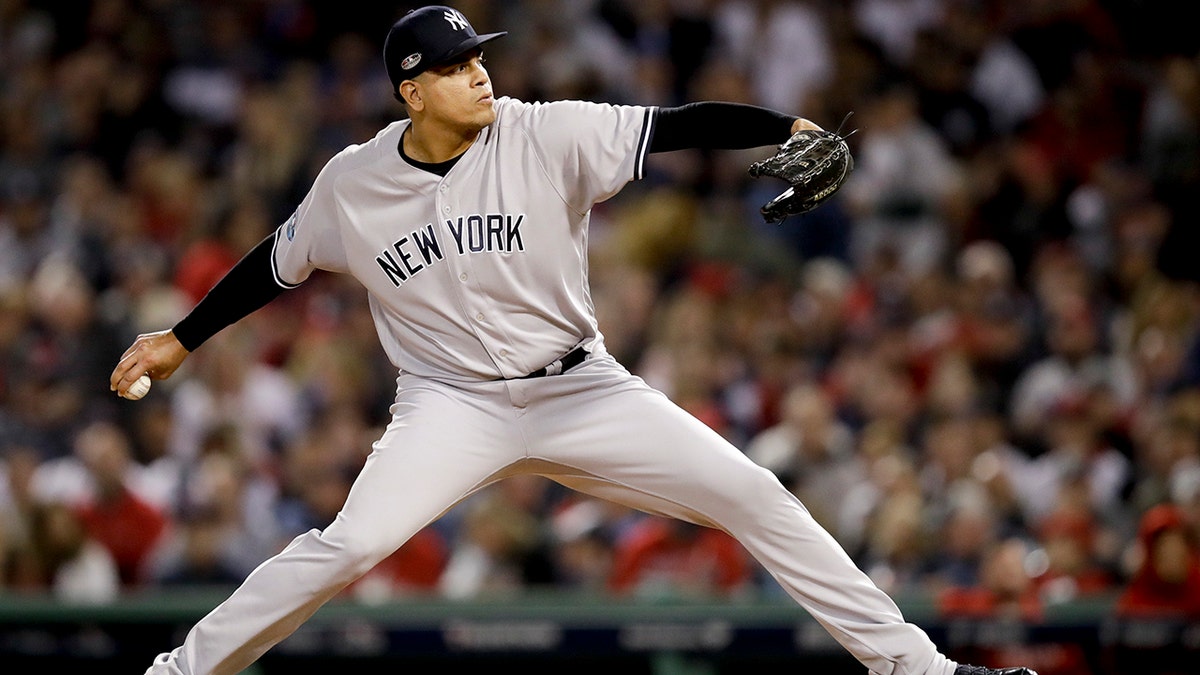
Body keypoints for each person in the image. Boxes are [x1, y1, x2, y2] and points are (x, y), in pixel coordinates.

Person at [110, 6, 1039, 675]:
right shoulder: (351, 184)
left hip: (580, 389)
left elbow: (675, 126)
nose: (481, 71)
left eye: (481, 55)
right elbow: (275, 263)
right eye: (457, 63)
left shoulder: (546, 132)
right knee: (348, 546)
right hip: (452, 404)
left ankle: (919, 670)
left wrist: (785, 126)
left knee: (755, 493)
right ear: (411, 90)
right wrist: (182, 340)